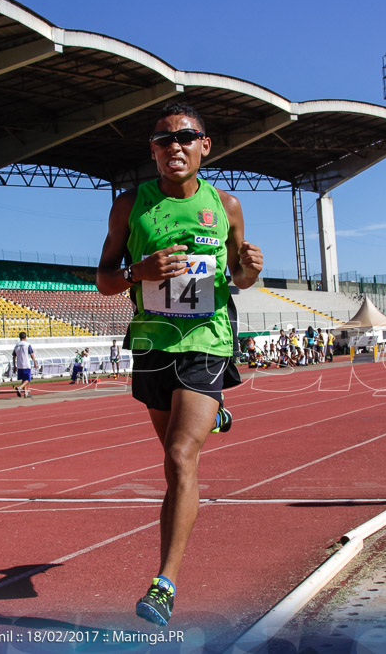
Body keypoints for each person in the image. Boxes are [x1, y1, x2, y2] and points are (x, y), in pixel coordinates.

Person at [95, 102, 263, 626]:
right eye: (165, 140)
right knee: (175, 448)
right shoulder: (130, 206)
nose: (176, 147)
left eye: (186, 137)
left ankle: (163, 584)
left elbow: (240, 277)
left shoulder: (226, 205)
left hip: (207, 339)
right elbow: (103, 278)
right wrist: (136, 271)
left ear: (204, 146)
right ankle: (210, 412)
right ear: (152, 151)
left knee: (179, 457)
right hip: (151, 342)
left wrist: (250, 267)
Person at [13, 332, 37, 398]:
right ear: (25, 337)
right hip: (26, 364)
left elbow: (14, 356)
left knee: (24, 379)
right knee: (28, 379)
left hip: (19, 364)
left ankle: (26, 393)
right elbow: (32, 354)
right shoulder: (27, 345)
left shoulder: (17, 345)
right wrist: (35, 362)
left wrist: (14, 366)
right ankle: (20, 388)